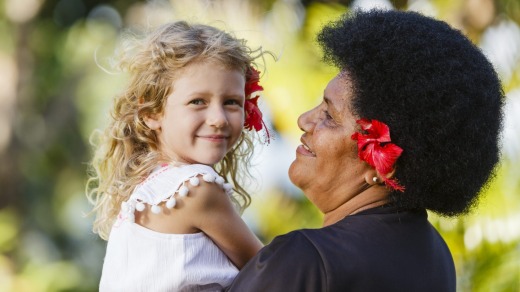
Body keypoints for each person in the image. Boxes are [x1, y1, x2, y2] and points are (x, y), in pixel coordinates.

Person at [227, 9, 504, 292]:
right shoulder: (435, 256)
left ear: (382, 162)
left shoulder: (309, 260)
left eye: (329, 116)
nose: (304, 120)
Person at [86, 21, 270, 291]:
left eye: (232, 102)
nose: (218, 119)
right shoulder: (196, 189)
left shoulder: (148, 189)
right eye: (198, 102)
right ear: (151, 113)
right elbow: (269, 269)